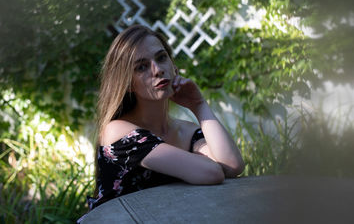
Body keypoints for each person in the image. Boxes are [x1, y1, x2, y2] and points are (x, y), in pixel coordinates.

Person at [81, 24, 244, 218]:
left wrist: (199, 105)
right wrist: (202, 164)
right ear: (128, 83)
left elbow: (232, 165)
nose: (157, 70)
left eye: (161, 57)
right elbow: (212, 173)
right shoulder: (117, 132)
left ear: (172, 64)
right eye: (141, 67)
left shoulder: (185, 130)